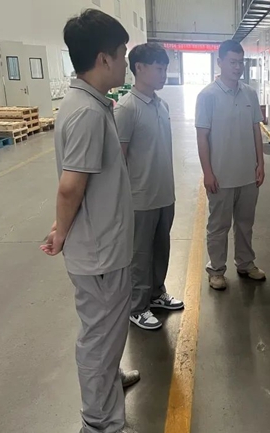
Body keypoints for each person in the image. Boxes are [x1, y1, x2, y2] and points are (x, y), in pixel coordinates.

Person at [41, 9, 139, 433]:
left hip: (104, 245)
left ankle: (108, 383)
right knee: (99, 339)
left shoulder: (90, 104)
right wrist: (61, 232)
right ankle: (100, 423)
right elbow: (70, 187)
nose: (125, 62)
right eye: (122, 53)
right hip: (100, 254)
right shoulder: (87, 113)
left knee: (108, 332)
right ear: (103, 59)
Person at [114, 43, 184, 331]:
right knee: (140, 255)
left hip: (164, 193)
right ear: (139, 68)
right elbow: (118, 160)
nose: (163, 74)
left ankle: (156, 294)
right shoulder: (127, 109)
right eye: (158, 68)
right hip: (140, 198)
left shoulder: (161, 105)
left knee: (160, 248)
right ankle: (137, 307)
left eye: (165, 68)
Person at [195, 40, 266, 290]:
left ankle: (245, 263)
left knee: (245, 224)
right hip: (221, 176)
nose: (237, 67)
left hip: (248, 175)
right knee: (218, 226)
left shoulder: (250, 94)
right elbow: (202, 137)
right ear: (220, 62)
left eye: (240, 62)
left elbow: (256, 130)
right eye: (233, 62)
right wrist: (208, 173)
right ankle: (216, 270)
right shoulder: (207, 96)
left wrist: (260, 163)